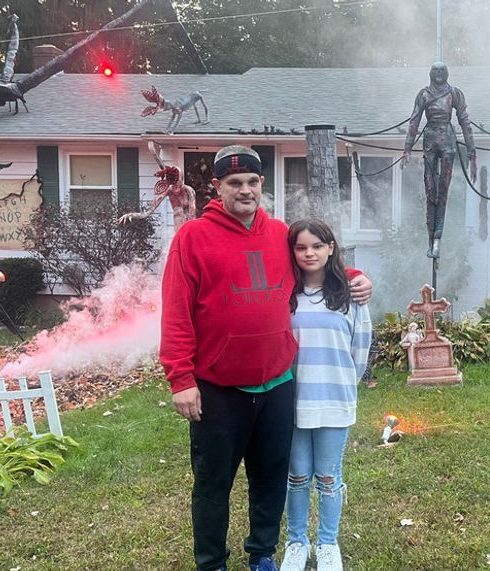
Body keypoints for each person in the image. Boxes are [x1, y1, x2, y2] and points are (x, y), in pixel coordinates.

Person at [159, 145, 372, 571]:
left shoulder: (279, 234)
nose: (245, 190)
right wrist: (181, 379)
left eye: (253, 182)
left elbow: (315, 260)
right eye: (234, 183)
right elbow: (176, 312)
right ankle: (212, 563)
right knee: (213, 483)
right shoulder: (192, 238)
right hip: (219, 387)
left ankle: (261, 554)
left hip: (277, 384)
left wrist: (352, 276)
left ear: (262, 185)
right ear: (216, 187)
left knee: (271, 477)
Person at [279, 219, 371, 571]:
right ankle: (297, 542)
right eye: (300, 247)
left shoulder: (350, 297)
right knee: (298, 476)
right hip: (294, 401)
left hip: (334, 399)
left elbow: (359, 349)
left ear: (331, 248)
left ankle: (328, 543)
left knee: (329, 478)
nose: (309, 253)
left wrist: (345, 384)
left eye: (316, 246)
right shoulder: (286, 297)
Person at [402, 61, 478, 259]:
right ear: (430, 73)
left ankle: (437, 239)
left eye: (442, 70)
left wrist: (472, 152)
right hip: (429, 141)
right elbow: (414, 122)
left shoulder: (454, 93)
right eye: (435, 70)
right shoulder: (424, 94)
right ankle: (430, 240)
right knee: (430, 191)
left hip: (448, 143)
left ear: (447, 73)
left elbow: (465, 122)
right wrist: (406, 150)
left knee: (443, 191)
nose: (438, 73)